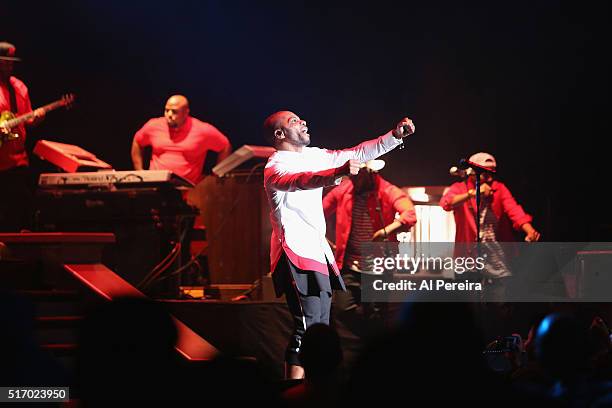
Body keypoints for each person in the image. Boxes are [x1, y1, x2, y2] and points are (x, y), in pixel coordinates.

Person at [263, 110, 415, 379]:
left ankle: (312, 388)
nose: (303, 122)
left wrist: (393, 137)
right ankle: (293, 391)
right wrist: (337, 173)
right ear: (280, 134)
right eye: (294, 121)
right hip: (295, 253)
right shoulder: (275, 166)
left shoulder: (314, 155)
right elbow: (300, 181)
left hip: (317, 252)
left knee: (319, 325)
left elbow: (358, 151)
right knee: (307, 327)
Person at [323, 160, 417, 323]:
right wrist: (325, 241)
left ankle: (371, 342)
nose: (353, 180)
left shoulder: (387, 190)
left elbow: (409, 213)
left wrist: (385, 231)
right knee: (342, 309)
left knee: (376, 314)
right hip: (349, 265)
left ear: (369, 174)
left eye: (357, 176)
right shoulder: (345, 189)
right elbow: (319, 211)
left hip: (379, 265)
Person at [439, 152, 540, 300]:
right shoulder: (460, 188)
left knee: (499, 301)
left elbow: (514, 210)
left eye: (492, 172)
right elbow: (446, 203)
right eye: (485, 173)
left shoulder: (499, 188)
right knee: (468, 303)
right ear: (473, 172)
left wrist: (529, 230)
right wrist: (473, 193)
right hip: (468, 257)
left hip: (496, 256)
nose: (490, 177)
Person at [131, 94, 231, 185]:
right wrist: (139, 171)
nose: (169, 115)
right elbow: (137, 141)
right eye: (166, 110)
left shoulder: (202, 130)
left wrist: (218, 174)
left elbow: (225, 145)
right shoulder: (154, 125)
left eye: (174, 111)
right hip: (156, 186)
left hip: (188, 190)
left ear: (186, 112)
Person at [0, 42, 45, 231]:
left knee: (19, 209)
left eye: (11, 63)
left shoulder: (19, 87)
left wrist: (38, 117)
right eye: (5, 63)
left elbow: (27, 122)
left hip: (17, 161)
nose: (9, 67)